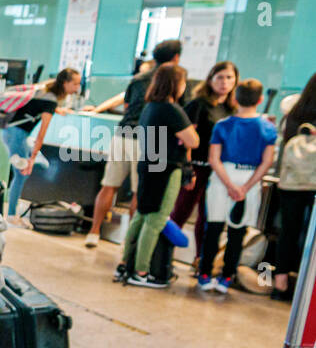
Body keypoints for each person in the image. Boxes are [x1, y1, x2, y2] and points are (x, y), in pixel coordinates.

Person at [84, 38, 183, 247]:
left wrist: (99, 108)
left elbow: (127, 103)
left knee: (108, 185)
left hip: (122, 134)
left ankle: (93, 232)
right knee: (139, 191)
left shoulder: (139, 78)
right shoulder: (172, 80)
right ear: (176, 57)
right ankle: (130, 240)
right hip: (148, 139)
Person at [116, 63, 198, 288]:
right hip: (167, 168)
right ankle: (142, 272)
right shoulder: (172, 110)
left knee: (142, 215)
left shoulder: (150, 107)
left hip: (148, 165)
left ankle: (125, 263)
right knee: (156, 220)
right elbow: (194, 141)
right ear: (176, 85)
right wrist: (183, 136)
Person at [198, 79, 277, 294]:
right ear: (260, 100)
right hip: (250, 178)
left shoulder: (222, 125)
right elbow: (267, 161)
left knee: (213, 228)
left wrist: (229, 185)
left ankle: (204, 274)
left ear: (235, 98)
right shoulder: (268, 128)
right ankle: (226, 278)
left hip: (223, 176)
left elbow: (213, 158)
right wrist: (245, 187)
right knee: (237, 232)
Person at [169, 61, 237, 266]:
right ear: (210, 79)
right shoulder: (198, 104)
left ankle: (201, 261)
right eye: (220, 77)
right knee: (180, 212)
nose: (224, 82)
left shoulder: (231, 109)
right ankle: (163, 254)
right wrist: (188, 168)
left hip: (217, 170)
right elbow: (186, 139)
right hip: (195, 166)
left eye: (229, 78)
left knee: (208, 218)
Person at [0, 67, 80, 225]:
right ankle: (11, 214)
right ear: (65, 83)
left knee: (30, 169)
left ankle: (13, 210)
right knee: (21, 174)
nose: (77, 88)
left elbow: (37, 106)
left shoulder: (45, 93)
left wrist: (56, 110)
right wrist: (33, 157)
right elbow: (41, 134)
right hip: (17, 135)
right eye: (75, 84)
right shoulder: (50, 99)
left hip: (11, 132)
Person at [271, 73, 316, 301]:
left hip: (291, 184)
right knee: (311, 236)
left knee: (288, 231)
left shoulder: (294, 114)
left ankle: (280, 284)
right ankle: (306, 286)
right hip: (312, 184)